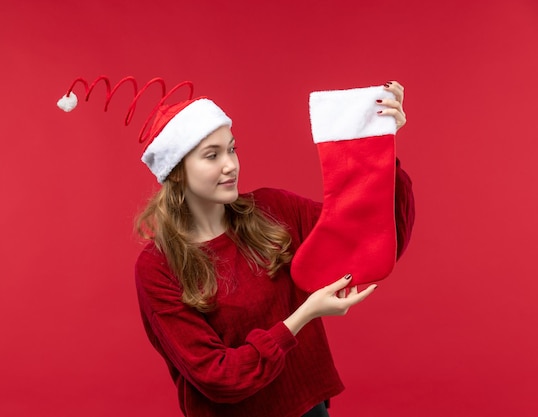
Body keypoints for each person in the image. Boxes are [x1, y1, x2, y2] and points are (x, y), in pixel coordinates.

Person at [134, 81, 414, 417]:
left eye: (232, 149)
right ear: (176, 173)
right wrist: (304, 315)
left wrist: (379, 148)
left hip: (309, 410)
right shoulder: (158, 268)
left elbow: (371, 238)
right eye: (212, 155)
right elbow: (218, 376)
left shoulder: (273, 210)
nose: (230, 165)